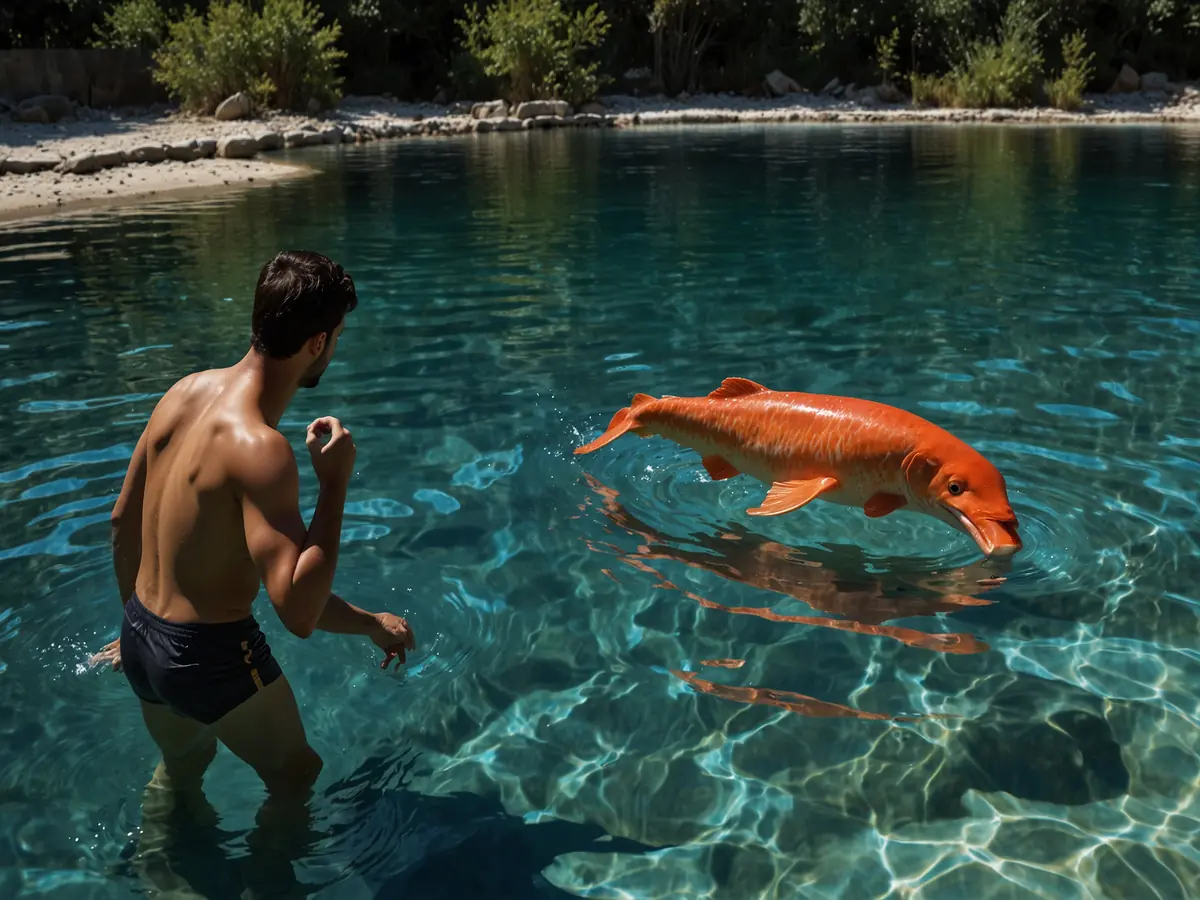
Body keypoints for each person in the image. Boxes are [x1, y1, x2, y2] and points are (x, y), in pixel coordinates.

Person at [89, 249, 415, 817]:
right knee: (297, 775)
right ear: (318, 343)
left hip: (141, 634)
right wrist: (335, 484)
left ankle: (163, 870)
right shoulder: (260, 449)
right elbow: (297, 611)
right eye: (335, 336)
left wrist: (135, 626)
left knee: (185, 767)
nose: (333, 348)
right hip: (205, 655)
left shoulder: (184, 391)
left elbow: (122, 521)